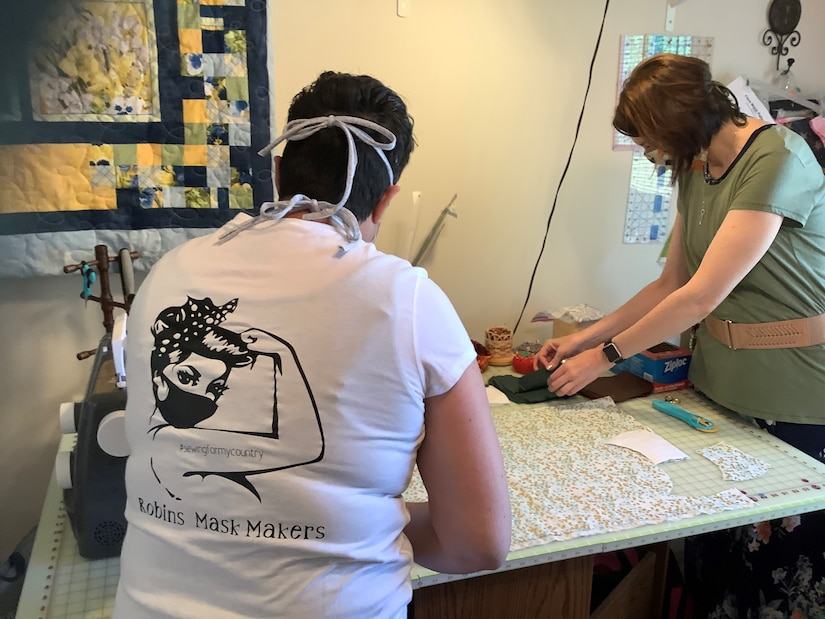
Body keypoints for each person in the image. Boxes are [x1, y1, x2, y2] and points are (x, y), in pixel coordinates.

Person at [113, 71, 511, 619]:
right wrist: (349, 525)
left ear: (277, 170)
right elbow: (478, 544)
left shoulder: (167, 273)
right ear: (388, 198)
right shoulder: (408, 299)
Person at [536, 53, 825, 617]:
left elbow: (700, 297)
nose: (649, 152)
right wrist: (583, 338)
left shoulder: (777, 156)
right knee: (710, 556)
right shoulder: (699, 170)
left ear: (677, 122)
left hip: (795, 390)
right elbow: (670, 282)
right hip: (721, 382)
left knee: (779, 574)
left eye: (648, 138)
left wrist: (606, 357)